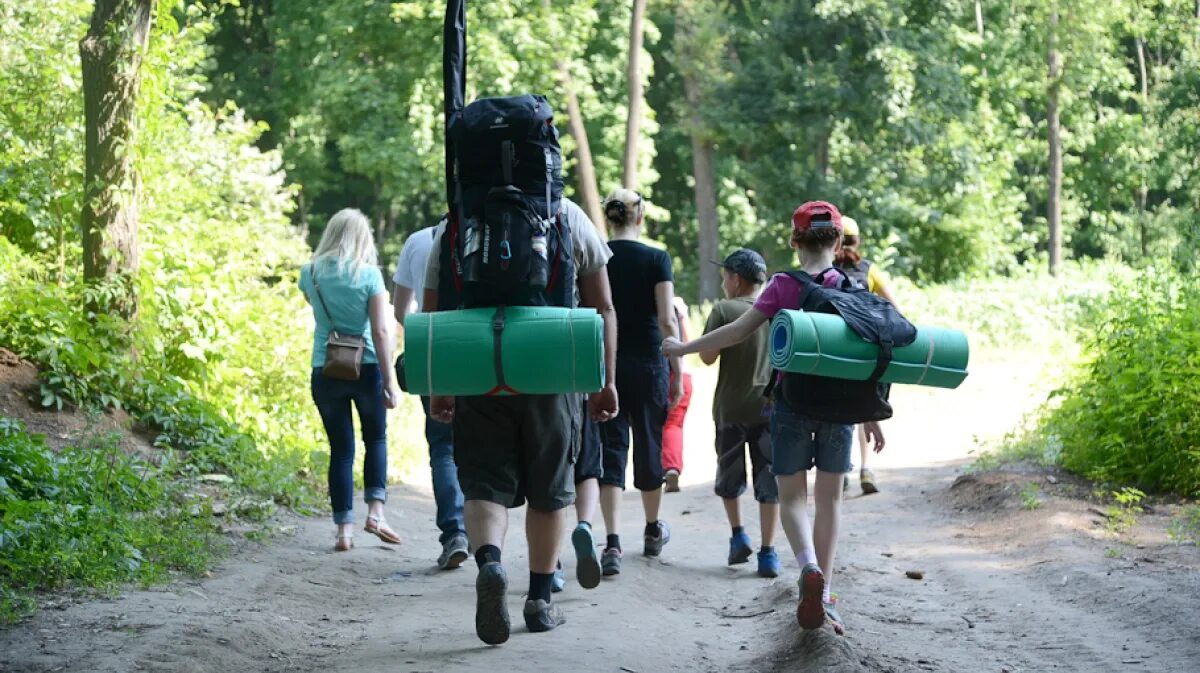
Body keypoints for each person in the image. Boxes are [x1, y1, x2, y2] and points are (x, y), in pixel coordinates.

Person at [663, 201, 886, 636]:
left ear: (793, 241)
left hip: (791, 407)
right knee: (830, 500)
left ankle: (806, 566)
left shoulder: (783, 285)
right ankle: (827, 594)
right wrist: (873, 414)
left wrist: (683, 349)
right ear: (839, 243)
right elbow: (869, 356)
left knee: (791, 499)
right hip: (840, 412)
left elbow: (737, 330)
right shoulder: (852, 285)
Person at [424, 197, 619, 642]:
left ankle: (490, 564)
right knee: (549, 491)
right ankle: (539, 600)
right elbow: (603, 306)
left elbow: (432, 307)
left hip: (479, 360)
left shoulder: (459, 219)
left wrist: (441, 382)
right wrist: (604, 379)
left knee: (484, 483)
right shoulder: (566, 215)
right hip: (552, 362)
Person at [298, 208, 402, 552]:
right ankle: (376, 513)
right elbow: (381, 329)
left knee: (340, 450)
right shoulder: (370, 275)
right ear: (363, 238)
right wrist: (390, 380)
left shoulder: (309, 273)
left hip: (325, 367)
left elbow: (318, 311)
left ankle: (344, 531)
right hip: (368, 366)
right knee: (376, 439)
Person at [597, 189, 684, 577]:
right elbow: (667, 320)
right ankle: (651, 531)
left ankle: (612, 542)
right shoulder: (656, 258)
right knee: (649, 443)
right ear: (641, 218)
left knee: (611, 448)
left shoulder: (597, 256)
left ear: (608, 219)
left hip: (605, 364)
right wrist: (678, 370)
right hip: (650, 362)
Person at [697, 249, 780, 578]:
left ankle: (738, 535)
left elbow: (706, 357)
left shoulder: (723, 309)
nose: (722, 281)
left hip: (730, 409)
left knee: (730, 478)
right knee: (769, 481)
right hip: (768, 408)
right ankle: (768, 552)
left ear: (736, 279)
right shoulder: (775, 311)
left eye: (725, 275)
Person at [392, 219, 469, 569]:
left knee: (443, 446)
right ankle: (488, 535)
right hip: (482, 352)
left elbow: (399, 309)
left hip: (436, 352)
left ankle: (455, 532)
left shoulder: (417, 241)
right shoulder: (482, 238)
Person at [834, 216, 897, 496]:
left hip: (838, 348)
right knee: (863, 409)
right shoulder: (869, 271)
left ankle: (841, 469)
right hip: (867, 350)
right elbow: (894, 308)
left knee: (839, 408)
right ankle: (865, 468)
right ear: (858, 241)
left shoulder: (826, 272)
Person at [661, 296, 693, 493]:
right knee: (673, 425)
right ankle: (671, 467)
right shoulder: (678, 305)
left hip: (656, 373)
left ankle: (654, 473)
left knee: (650, 425)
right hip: (682, 374)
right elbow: (686, 342)